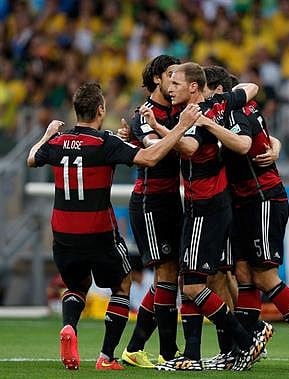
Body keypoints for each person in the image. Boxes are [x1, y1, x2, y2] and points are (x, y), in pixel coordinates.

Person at [26, 82, 201, 371]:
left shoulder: (56, 142)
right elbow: (150, 157)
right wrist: (181, 127)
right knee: (122, 285)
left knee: (76, 285)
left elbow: (32, 158)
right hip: (98, 231)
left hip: (63, 233)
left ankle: (70, 327)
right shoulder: (104, 142)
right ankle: (106, 357)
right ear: (101, 109)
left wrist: (46, 135)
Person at [201, 66, 289, 372]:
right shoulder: (235, 113)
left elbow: (245, 143)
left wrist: (208, 124)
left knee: (265, 277)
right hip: (248, 202)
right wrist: (275, 146)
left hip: (263, 200)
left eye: (206, 92)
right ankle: (245, 347)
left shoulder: (234, 114)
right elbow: (265, 139)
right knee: (245, 273)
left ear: (218, 91)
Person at [143, 62, 269, 372]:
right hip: (201, 206)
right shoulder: (199, 109)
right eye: (169, 82)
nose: (170, 87)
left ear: (194, 88)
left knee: (196, 284)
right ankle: (194, 355)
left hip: (208, 206)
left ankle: (245, 340)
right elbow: (249, 89)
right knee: (194, 279)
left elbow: (188, 147)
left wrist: (161, 129)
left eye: (176, 82)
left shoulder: (199, 114)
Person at [120, 55, 185, 368]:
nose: (176, 82)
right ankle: (169, 354)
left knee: (168, 277)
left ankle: (135, 348)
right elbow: (152, 151)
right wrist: (181, 129)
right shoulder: (144, 114)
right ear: (157, 79)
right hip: (149, 201)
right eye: (171, 76)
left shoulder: (175, 112)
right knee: (166, 274)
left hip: (172, 198)